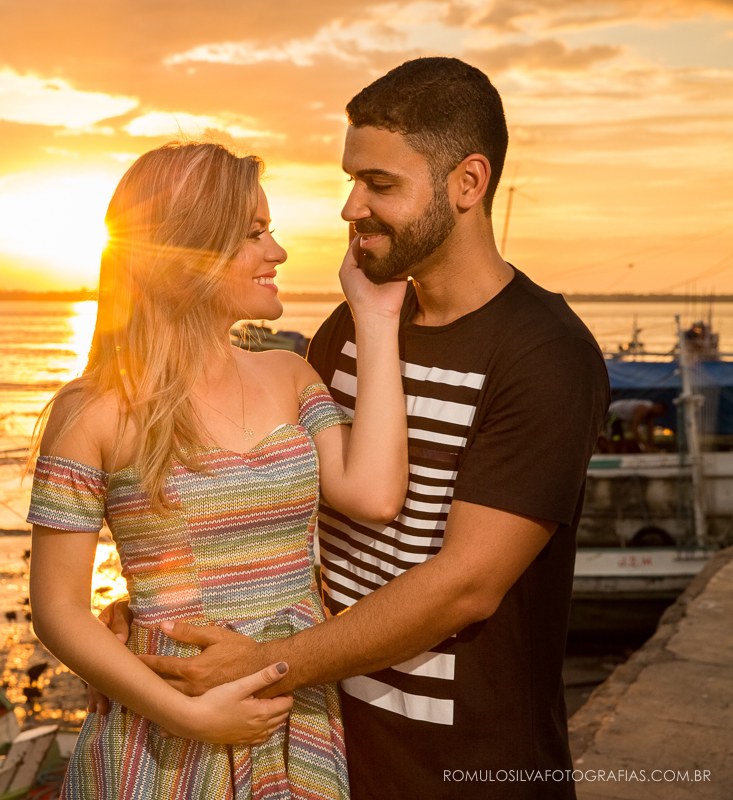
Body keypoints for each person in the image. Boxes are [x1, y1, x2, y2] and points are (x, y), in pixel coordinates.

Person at [92, 58, 611, 799]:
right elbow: (286, 506)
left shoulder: (546, 356)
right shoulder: (350, 331)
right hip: (325, 746)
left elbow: (465, 587)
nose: (350, 208)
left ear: (469, 184)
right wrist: (169, 607)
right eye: (351, 179)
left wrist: (264, 663)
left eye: (381, 184)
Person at [26, 141, 410, 798]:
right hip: (169, 720)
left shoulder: (290, 375)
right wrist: (191, 715)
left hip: (295, 705)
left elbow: (373, 495)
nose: (279, 252)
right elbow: (58, 609)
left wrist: (377, 316)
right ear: (188, 258)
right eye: (255, 233)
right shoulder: (93, 412)